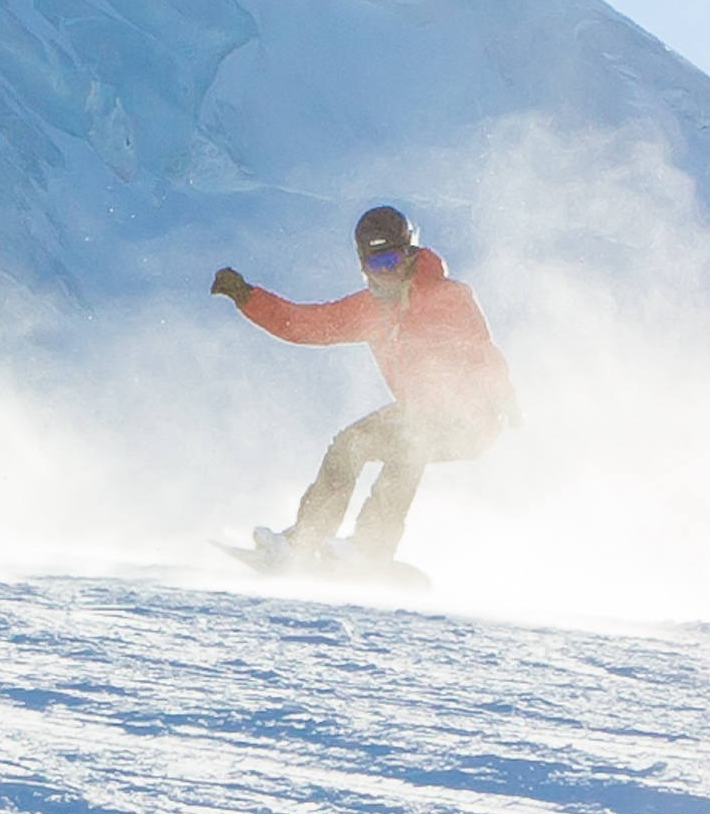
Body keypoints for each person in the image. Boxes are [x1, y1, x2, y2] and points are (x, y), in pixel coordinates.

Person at [213, 203, 518, 570]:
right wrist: (247, 296)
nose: (384, 275)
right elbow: (305, 324)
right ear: (363, 265)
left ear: (408, 255)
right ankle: (303, 543)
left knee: (410, 444)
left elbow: (483, 349)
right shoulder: (371, 310)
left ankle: (370, 549)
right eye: (375, 266)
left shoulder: (447, 296)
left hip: (472, 419)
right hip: (418, 414)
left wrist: (505, 396)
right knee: (349, 446)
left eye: (391, 262)